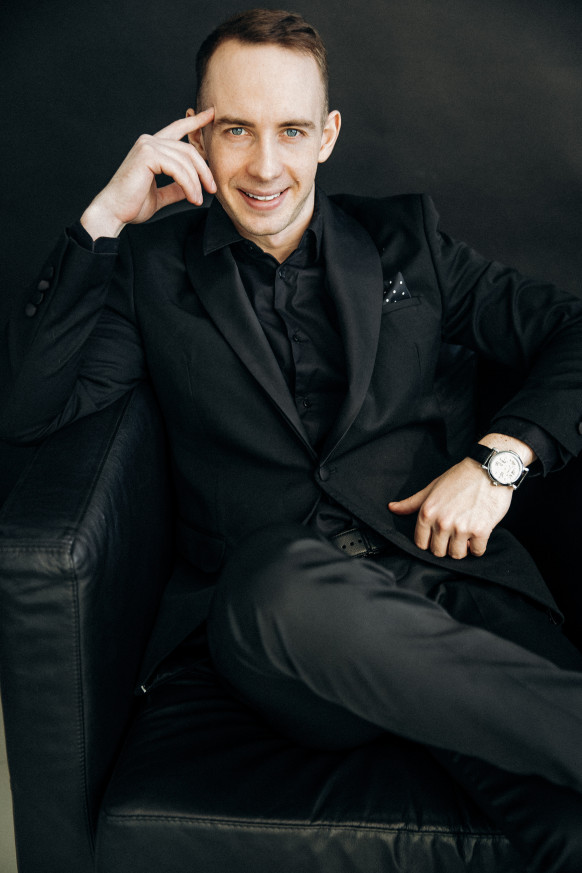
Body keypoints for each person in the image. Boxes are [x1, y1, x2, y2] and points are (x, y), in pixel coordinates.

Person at [2, 8, 582, 869]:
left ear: (328, 136)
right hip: (275, 626)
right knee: (277, 579)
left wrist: (501, 460)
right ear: (196, 133)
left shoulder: (408, 243)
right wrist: (104, 218)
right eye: (237, 129)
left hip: (453, 593)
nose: (266, 166)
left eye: (292, 131)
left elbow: (570, 329)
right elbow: (30, 411)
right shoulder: (149, 271)